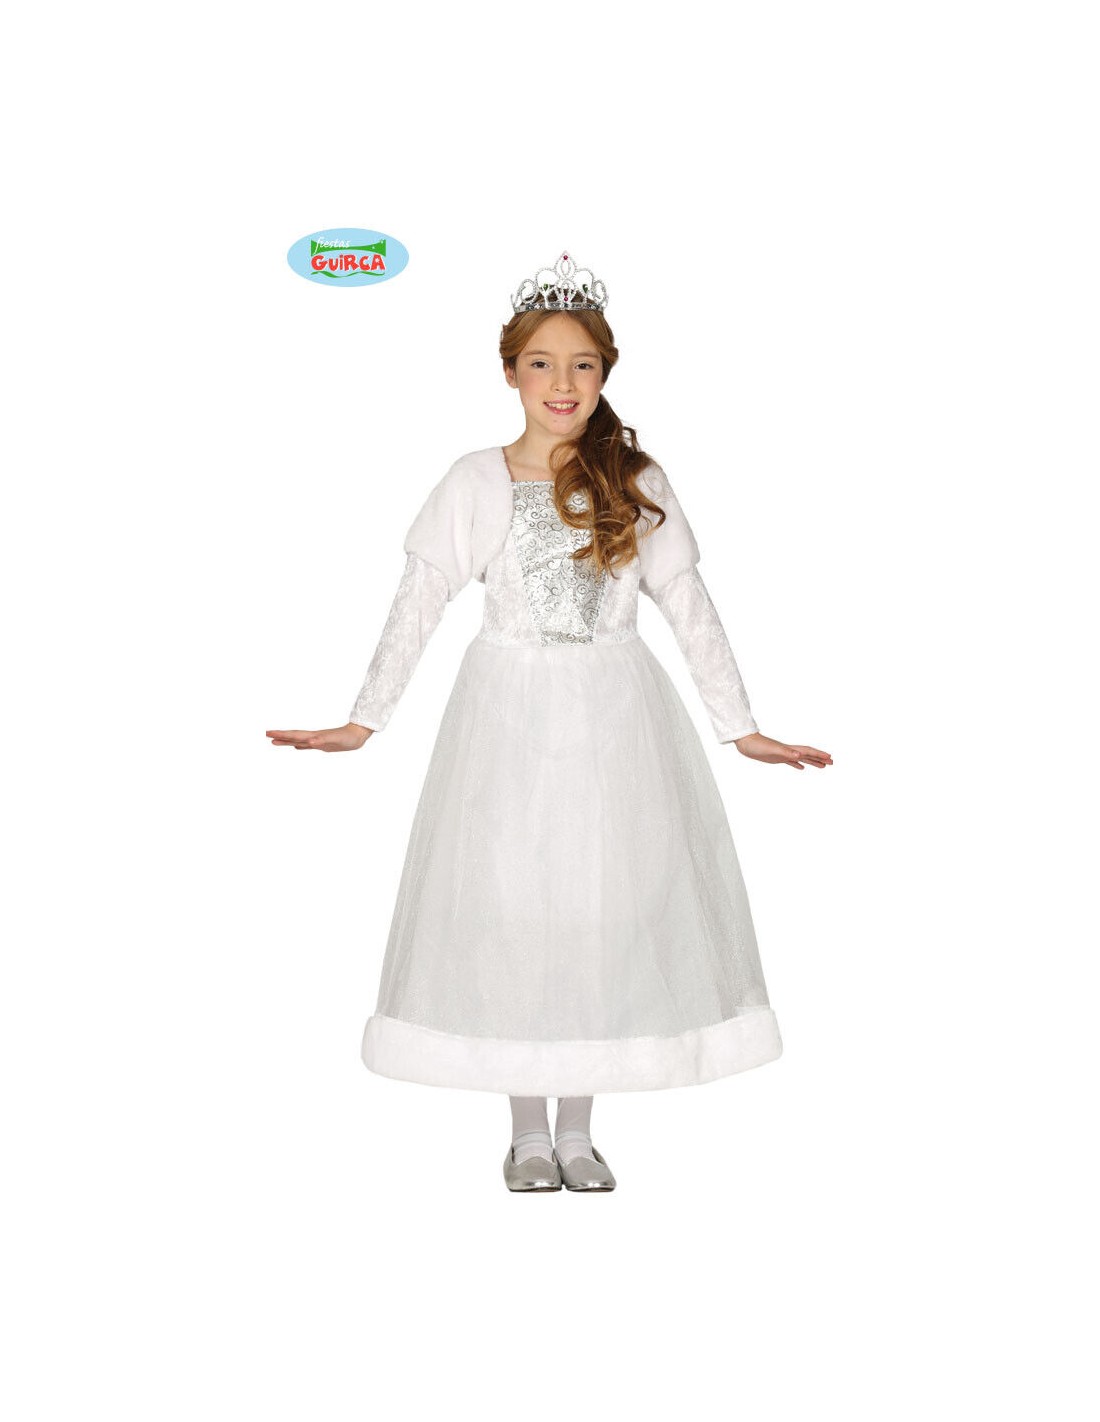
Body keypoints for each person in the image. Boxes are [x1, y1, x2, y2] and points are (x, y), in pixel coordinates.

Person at [267, 250, 832, 1193]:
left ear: (605, 374)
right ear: (509, 372)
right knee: (515, 911)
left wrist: (741, 727)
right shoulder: (476, 480)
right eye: (541, 363)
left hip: (616, 723)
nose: (561, 383)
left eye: (581, 364)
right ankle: (526, 1132)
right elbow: (419, 600)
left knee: (600, 914)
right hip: (507, 725)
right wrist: (364, 720)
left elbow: (687, 604)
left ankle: (579, 1131)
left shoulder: (635, 478)